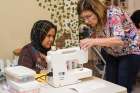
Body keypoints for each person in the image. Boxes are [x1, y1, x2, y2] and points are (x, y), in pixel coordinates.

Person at [77, 0, 140, 93]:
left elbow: (119, 40)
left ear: (97, 11)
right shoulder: (94, 22)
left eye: (88, 16)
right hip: (112, 53)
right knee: (111, 87)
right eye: (83, 18)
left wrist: (93, 41)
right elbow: (97, 36)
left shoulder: (114, 14)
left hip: (130, 52)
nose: (86, 21)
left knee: (122, 87)